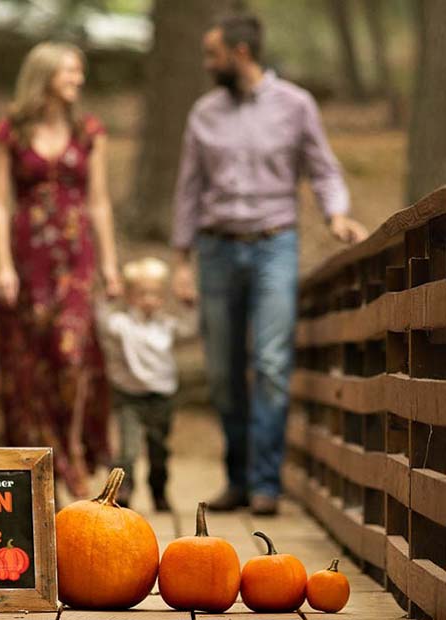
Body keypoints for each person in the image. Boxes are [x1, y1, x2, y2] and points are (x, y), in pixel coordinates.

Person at [171, 13, 367, 515]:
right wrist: (180, 260)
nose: (206, 64)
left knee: (273, 365)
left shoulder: (296, 105)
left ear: (240, 53)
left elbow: (323, 168)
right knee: (221, 373)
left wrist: (337, 215)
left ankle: (264, 483)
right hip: (215, 250)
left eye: (212, 54)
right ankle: (237, 477)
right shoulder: (203, 113)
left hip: (274, 246)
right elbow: (189, 189)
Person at [0, 42, 121, 499]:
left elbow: (99, 202)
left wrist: (111, 265)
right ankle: (50, 465)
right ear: (44, 76)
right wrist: (3, 266)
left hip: (76, 256)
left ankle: (76, 450)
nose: (78, 80)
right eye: (70, 71)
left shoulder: (88, 132)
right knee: (34, 366)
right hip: (28, 259)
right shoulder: (10, 132)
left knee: (72, 354)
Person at [96, 257, 197, 511]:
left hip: (161, 397)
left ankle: (159, 489)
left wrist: (189, 304)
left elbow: (190, 329)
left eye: (154, 294)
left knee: (159, 449)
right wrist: (108, 295)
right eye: (141, 294)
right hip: (129, 396)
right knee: (128, 449)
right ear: (129, 296)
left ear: (162, 297)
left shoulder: (166, 326)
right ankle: (123, 491)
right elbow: (102, 322)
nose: (148, 300)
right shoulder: (123, 324)